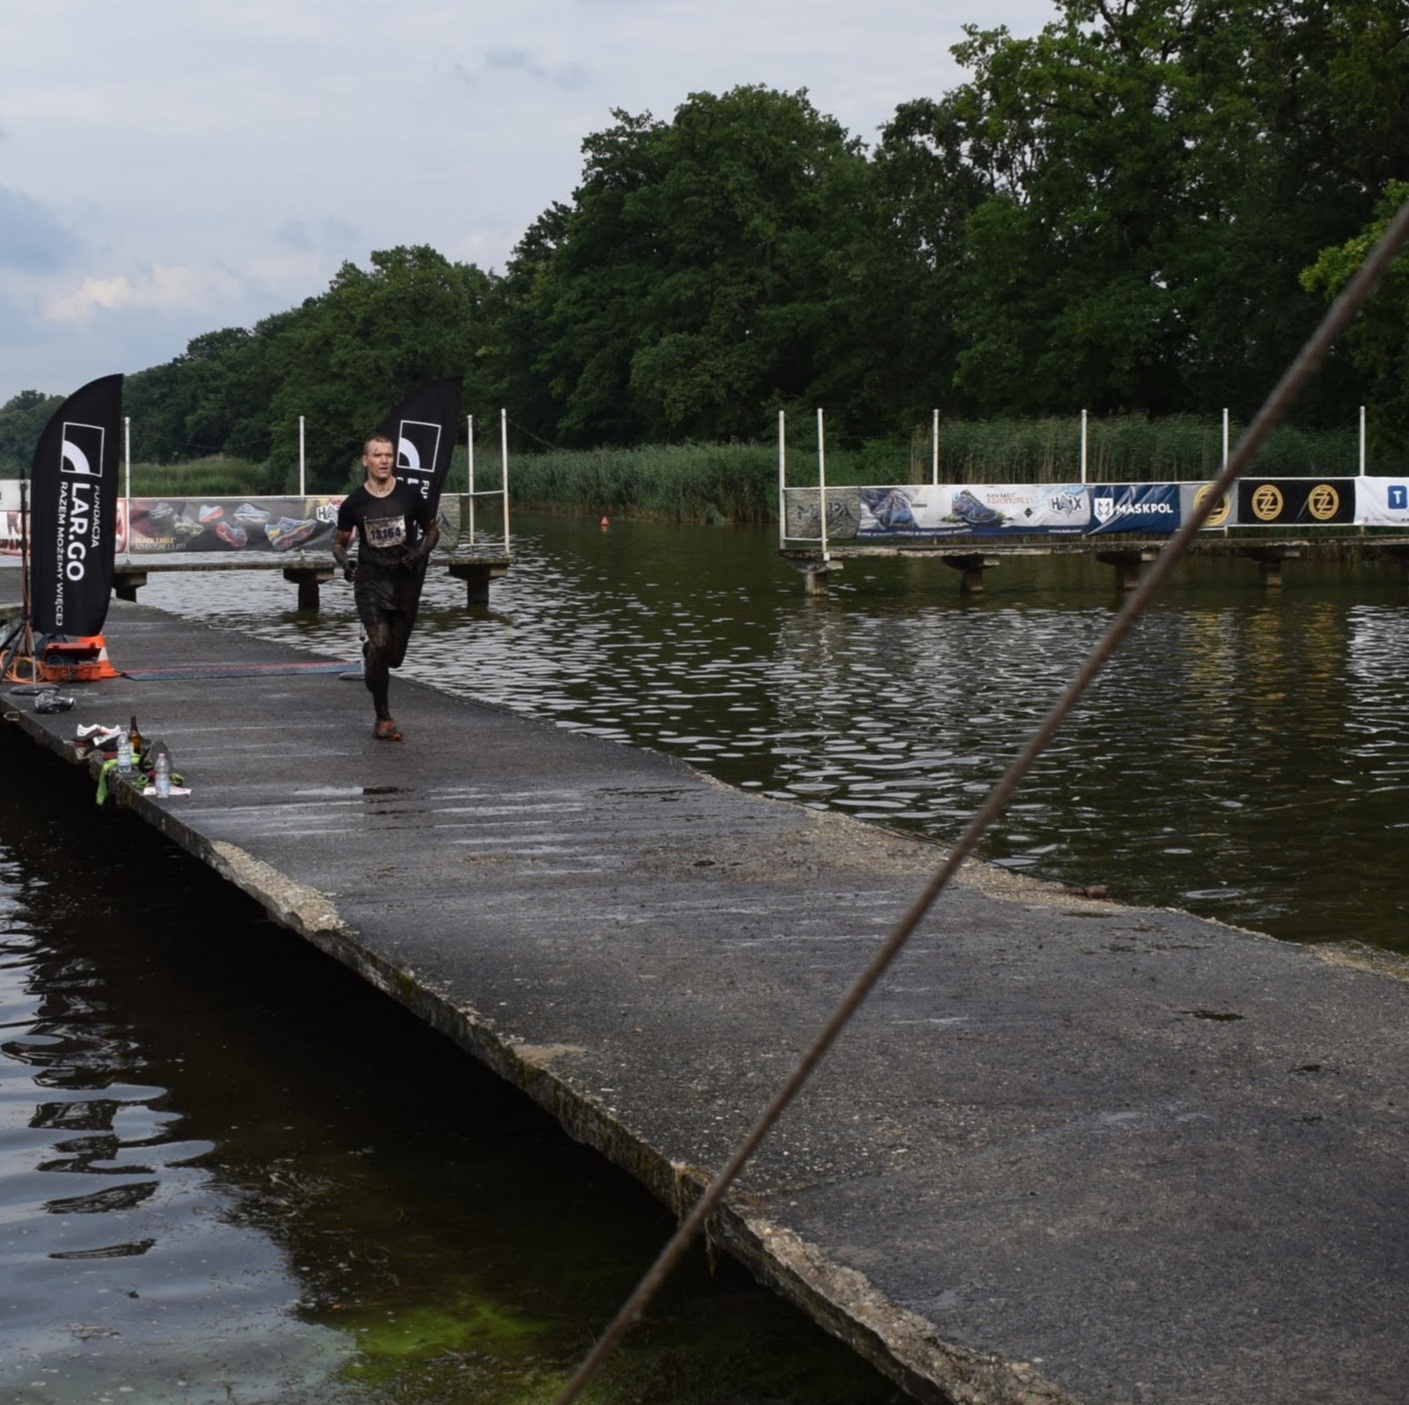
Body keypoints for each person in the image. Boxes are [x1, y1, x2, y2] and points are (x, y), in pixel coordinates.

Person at [332, 434, 440, 740]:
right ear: (365, 461)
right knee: (381, 644)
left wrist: (418, 554)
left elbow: (433, 531)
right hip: (370, 582)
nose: (383, 460)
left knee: (392, 658)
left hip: (403, 582)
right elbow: (338, 543)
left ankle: (372, 657)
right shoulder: (355, 503)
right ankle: (383, 718)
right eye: (377, 455)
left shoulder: (409, 496)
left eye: (388, 455)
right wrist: (346, 563)